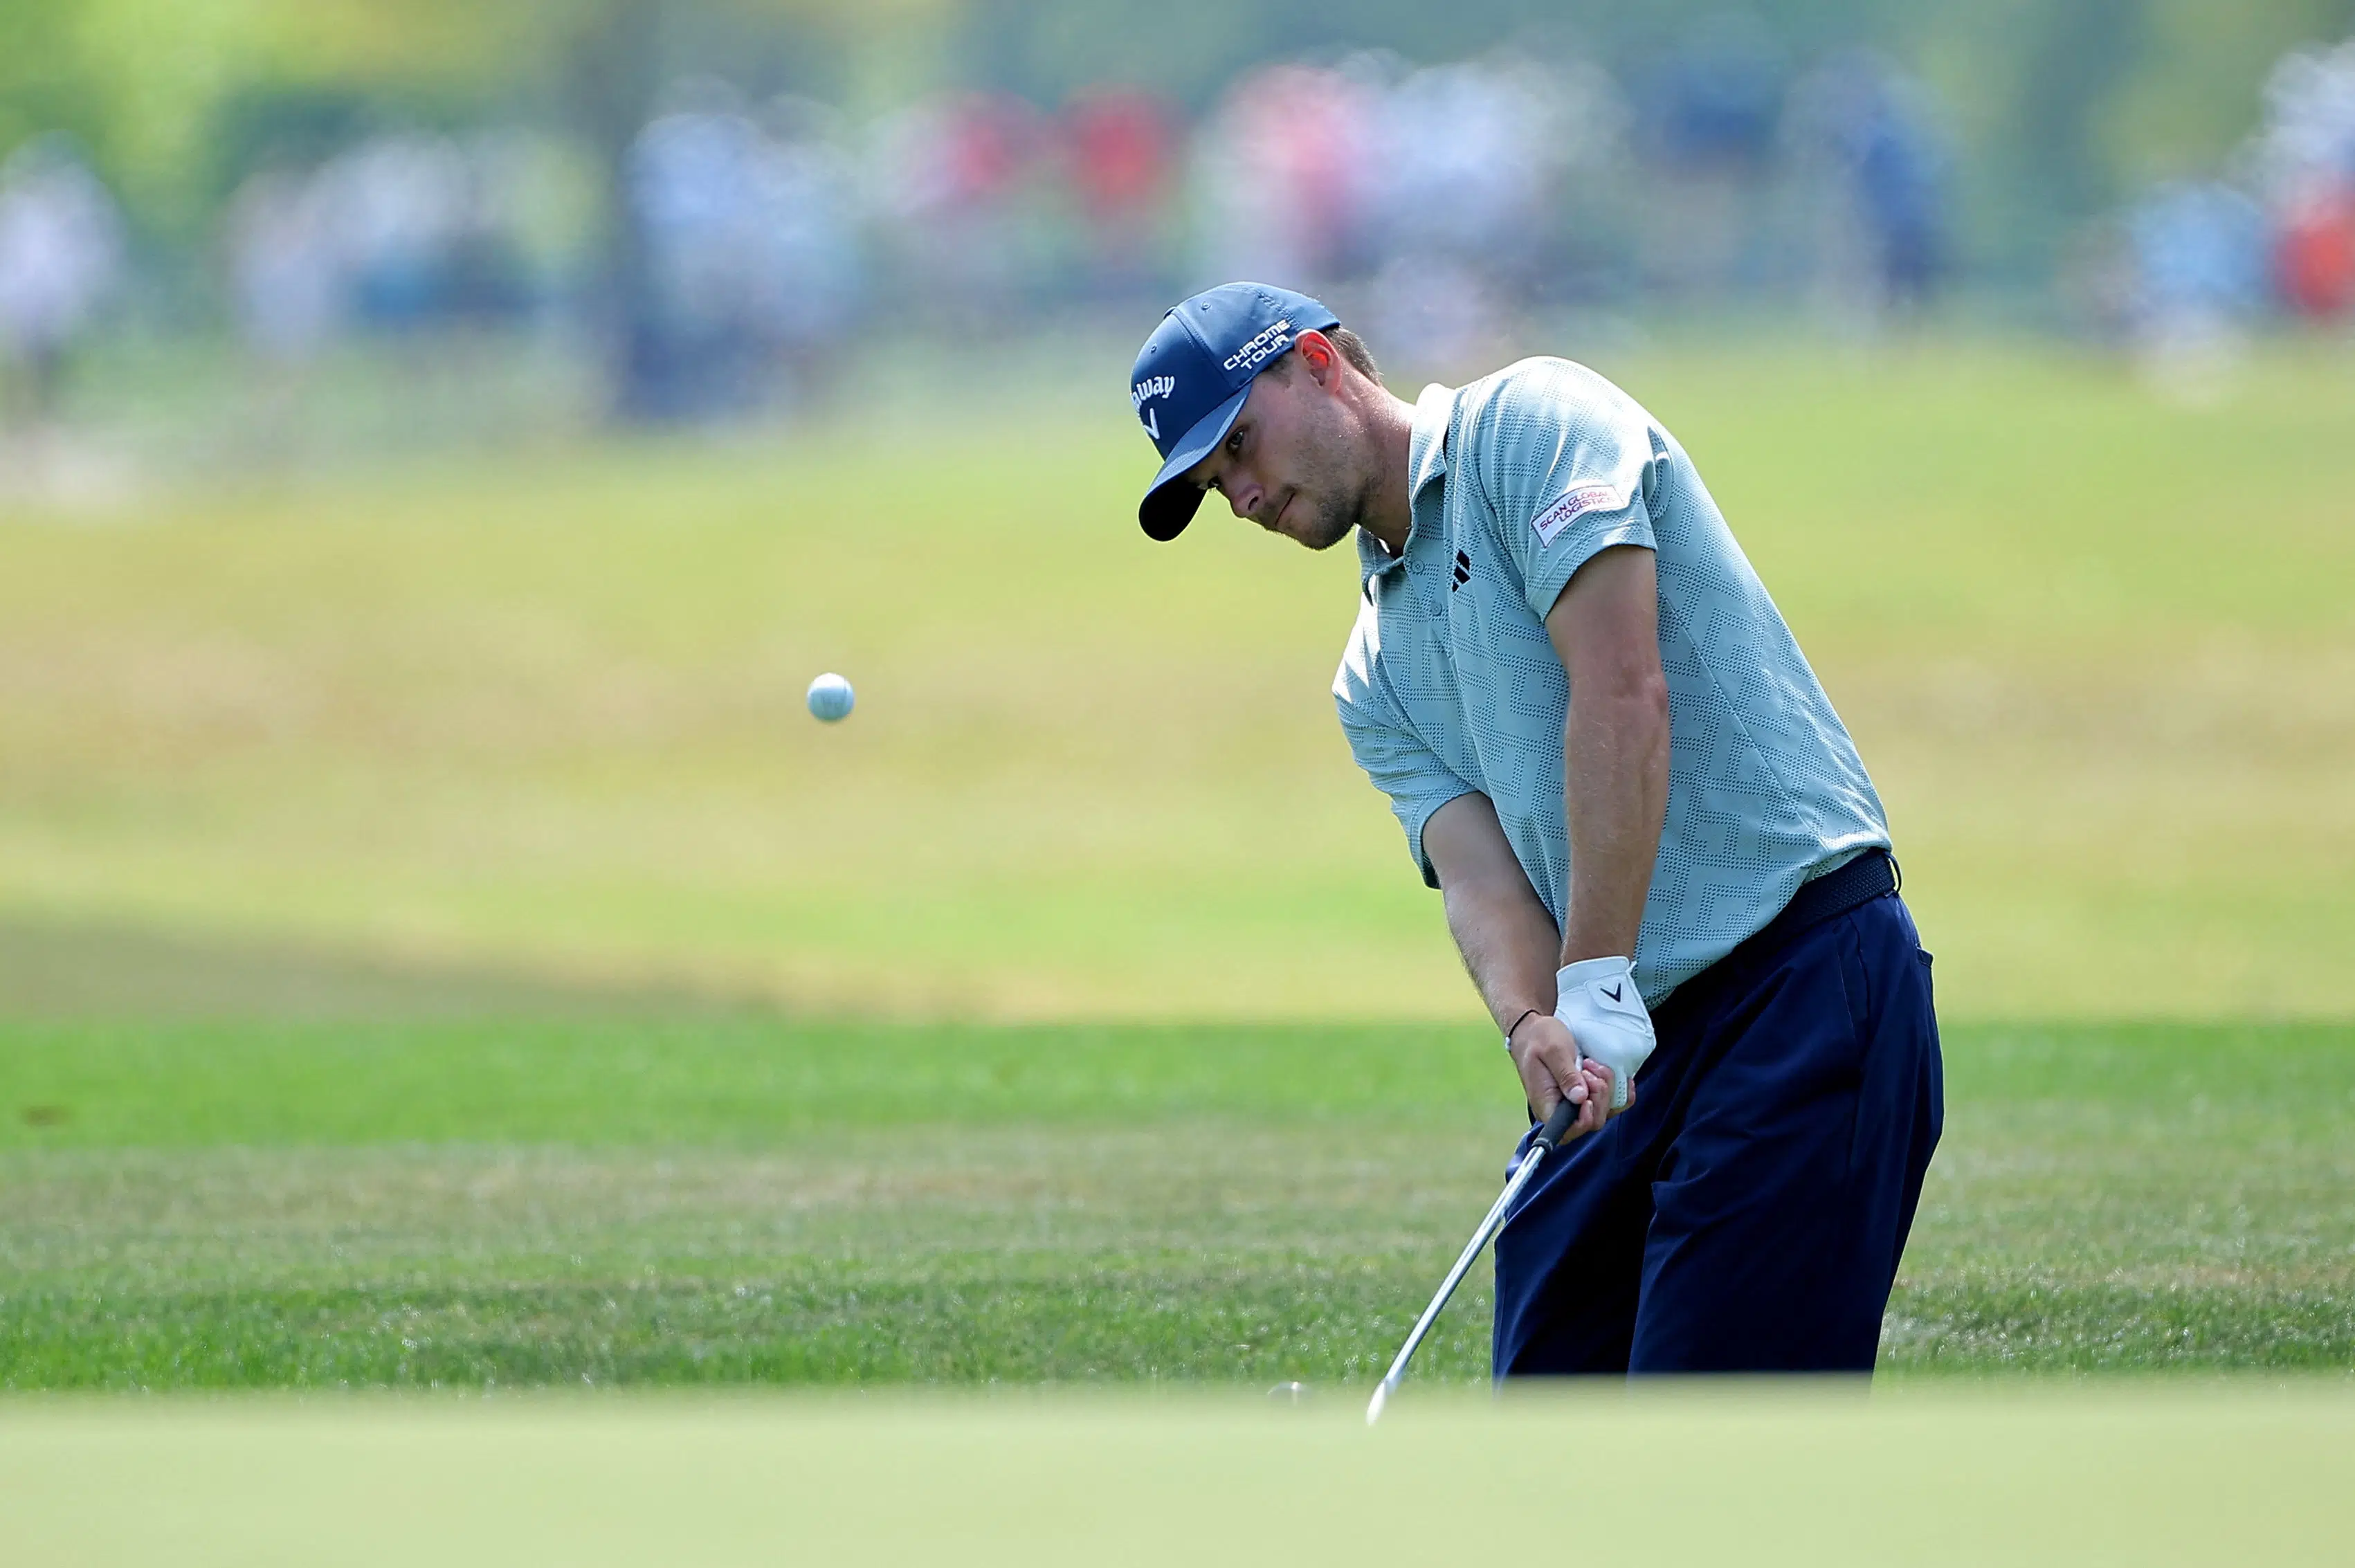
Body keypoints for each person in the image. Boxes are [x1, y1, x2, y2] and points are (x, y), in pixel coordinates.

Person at [1125, 282, 1942, 1375]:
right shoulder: (1371, 677)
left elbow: (1621, 691)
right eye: (1209, 480)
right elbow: (1480, 879)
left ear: (1316, 362)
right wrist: (1532, 1024)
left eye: (1236, 445)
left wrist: (1595, 976)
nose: (1236, 494)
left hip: (1797, 976)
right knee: (1549, 1421)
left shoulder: (1533, 426)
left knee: (1713, 1456)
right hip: (1621, 1045)